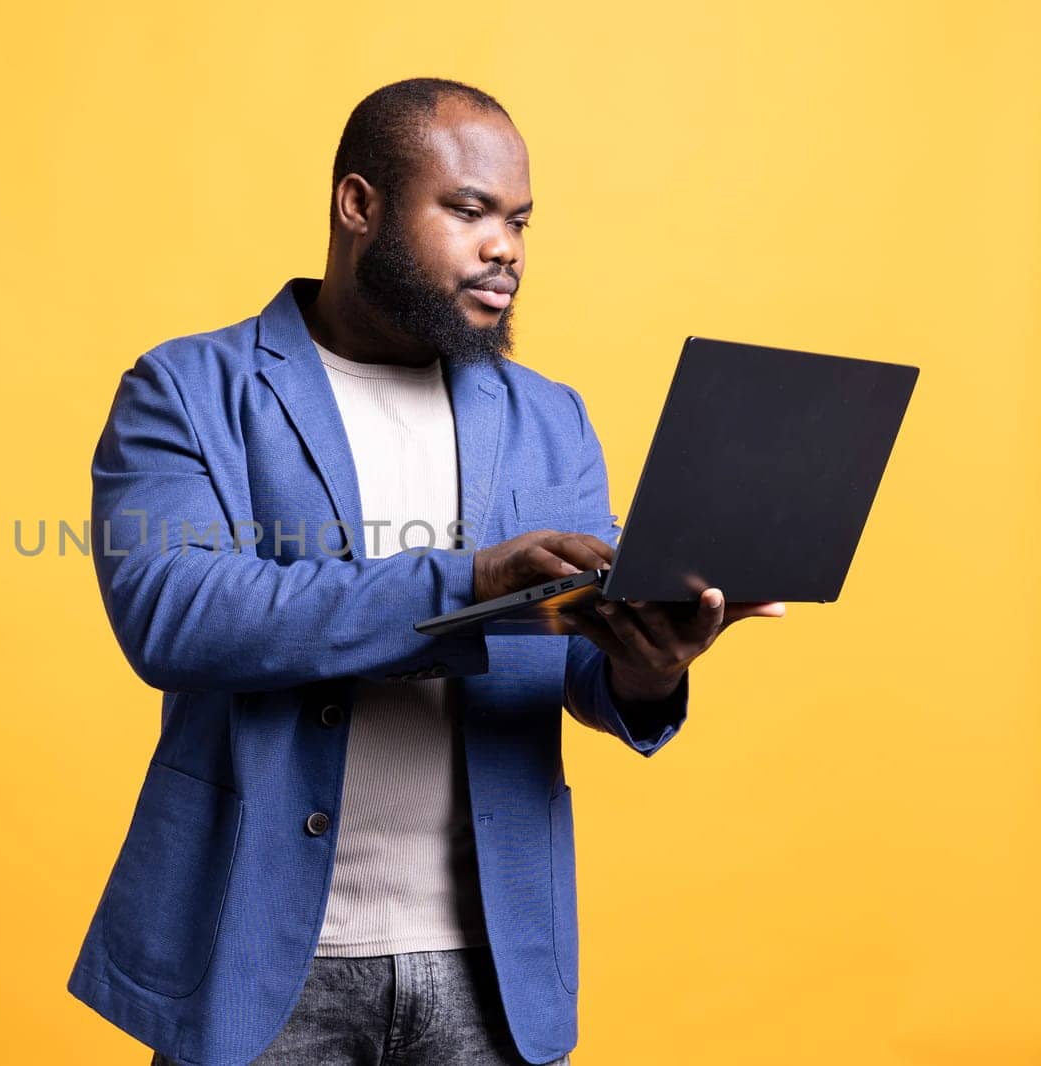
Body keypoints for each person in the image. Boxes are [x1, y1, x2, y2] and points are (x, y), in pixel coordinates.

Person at [66, 77, 783, 1066]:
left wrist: (649, 660)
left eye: (520, 221)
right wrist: (469, 585)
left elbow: (578, 667)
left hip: (492, 967)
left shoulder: (549, 417)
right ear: (357, 205)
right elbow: (177, 615)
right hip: (258, 962)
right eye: (467, 210)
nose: (506, 248)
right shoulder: (186, 390)